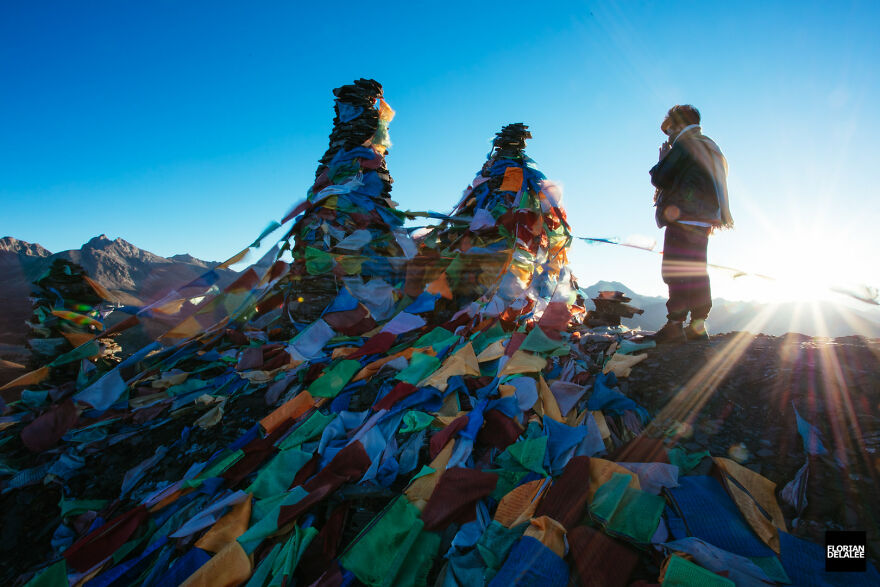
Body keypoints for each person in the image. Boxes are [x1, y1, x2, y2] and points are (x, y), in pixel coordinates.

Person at [650, 105, 733, 343]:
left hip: (683, 216)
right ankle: (698, 325)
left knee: (675, 269)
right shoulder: (709, 145)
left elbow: (661, 177)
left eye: (670, 129)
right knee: (697, 270)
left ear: (679, 124)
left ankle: (675, 325)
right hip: (704, 219)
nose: (669, 135)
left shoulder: (685, 145)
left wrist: (663, 159)